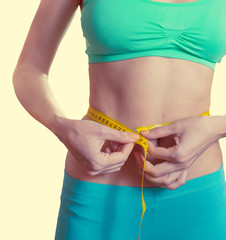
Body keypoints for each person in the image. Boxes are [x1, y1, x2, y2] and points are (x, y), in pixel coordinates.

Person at [12, 0, 226, 239]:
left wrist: (217, 126)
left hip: (198, 193)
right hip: (99, 189)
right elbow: (29, 69)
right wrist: (63, 127)